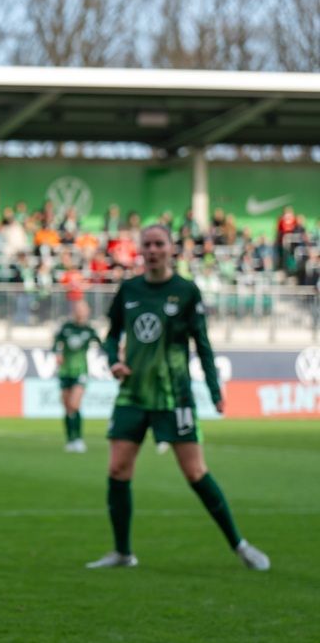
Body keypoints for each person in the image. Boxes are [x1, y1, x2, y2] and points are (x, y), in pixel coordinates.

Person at [86, 224, 269, 571]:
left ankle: (240, 545)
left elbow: (203, 344)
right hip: (133, 393)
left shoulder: (186, 291)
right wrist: (113, 361)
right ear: (140, 250)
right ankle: (122, 553)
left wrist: (214, 391)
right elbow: (111, 336)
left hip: (175, 396)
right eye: (147, 244)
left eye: (159, 243)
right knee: (117, 468)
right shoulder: (129, 289)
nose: (153, 250)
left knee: (195, 471)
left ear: (171, 248)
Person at [53, 299, 102, 453]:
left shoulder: (89, 330)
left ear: (87, 311)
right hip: (65, 371)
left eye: (83, 309)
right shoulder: (66, 327)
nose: (80, 312)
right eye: (78, 309)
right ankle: (70, 439)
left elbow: (103, 344)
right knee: (67, 407)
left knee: (74, 404)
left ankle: (79, 439)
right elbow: (56, 343)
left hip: (80, 371)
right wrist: (58, 353)